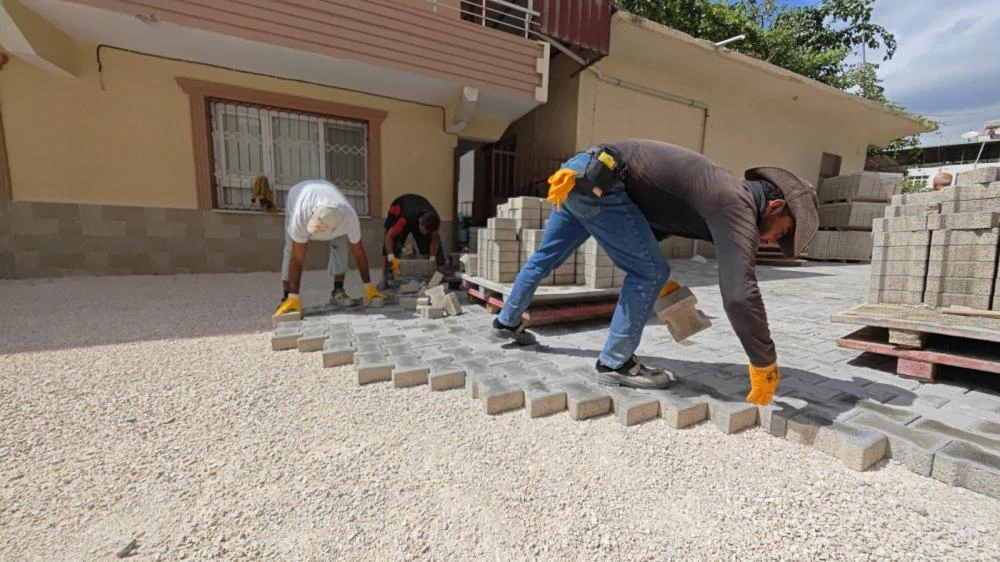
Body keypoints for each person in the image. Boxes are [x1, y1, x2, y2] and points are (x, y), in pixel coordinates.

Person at [490, 139, 819, 406]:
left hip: (583, 173)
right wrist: (764, 363)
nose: (776, 241)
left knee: (545, 258)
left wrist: (664, 290)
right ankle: (616, 363)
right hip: (602, 182)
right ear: (774, 207)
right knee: (649, 272)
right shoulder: (735, 205)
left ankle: (506, 322)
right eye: (783, 231)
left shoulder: (722, 190)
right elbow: (738, 294)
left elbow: (652, 219)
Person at [274, 179, 386, 317]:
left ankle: (338, 291)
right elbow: (297, 258)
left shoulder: (349, 218)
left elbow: (358, 253)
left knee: (340, 245)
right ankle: (287, 297)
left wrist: (368, 286)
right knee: (291, 249)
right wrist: (294, 296)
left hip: (332, 206)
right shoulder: (300, 216)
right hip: (299, 197)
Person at [380, 193, 444, 287]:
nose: (424, 233)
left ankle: (430, 277)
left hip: (418, 209)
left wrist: (432, 257)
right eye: (424, 230)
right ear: (420, 223)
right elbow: (389, 236)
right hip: (400, 209)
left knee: (429, 248)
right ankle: (384, 279)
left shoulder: (433, 219)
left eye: (427, 231)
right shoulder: (404, 219)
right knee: (390, 247)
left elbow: (434, 238)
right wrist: (391, 257)